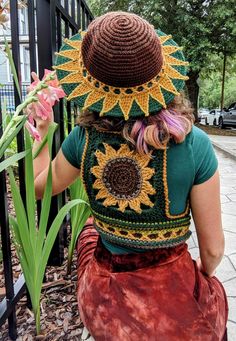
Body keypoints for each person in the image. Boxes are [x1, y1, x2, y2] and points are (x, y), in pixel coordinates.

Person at [33, 11, 228, 341]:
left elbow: (41, 188)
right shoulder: (194, 144)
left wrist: (41, 132)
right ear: (160, 74)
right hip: (171, 307)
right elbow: (212, 251)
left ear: (94, 82)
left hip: (104, 303)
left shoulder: (83, 139)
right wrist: (198, 283)